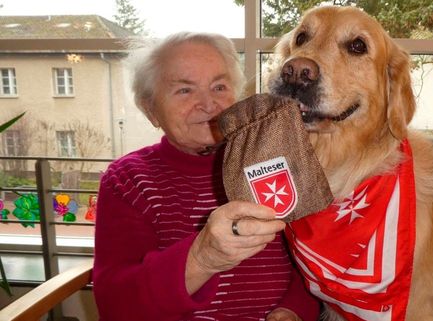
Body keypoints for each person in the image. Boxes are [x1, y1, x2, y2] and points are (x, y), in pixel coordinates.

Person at [92, 32, 320, 321]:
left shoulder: (273, 162)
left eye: (219, 86)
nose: (209, 104)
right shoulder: (127, 180)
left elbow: (313, 261)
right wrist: (203, 257)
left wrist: (293, 310)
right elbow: (117, 305)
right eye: (185, 90)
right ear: (151, 110)